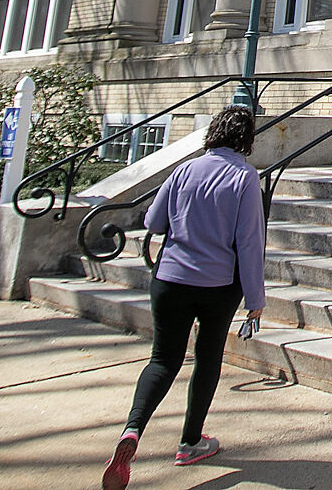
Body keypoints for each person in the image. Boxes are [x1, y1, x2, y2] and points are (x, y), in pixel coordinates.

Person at [102, 104, 266, 489]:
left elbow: (152, 222)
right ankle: (191, 441)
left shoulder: (184, 170)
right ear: (246, 139)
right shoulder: (244, 177)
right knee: (207, 359)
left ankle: (132, 429)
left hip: (171, 278)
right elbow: (249, 242)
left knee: (162, 359)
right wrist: (255, 298)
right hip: (217, 285)